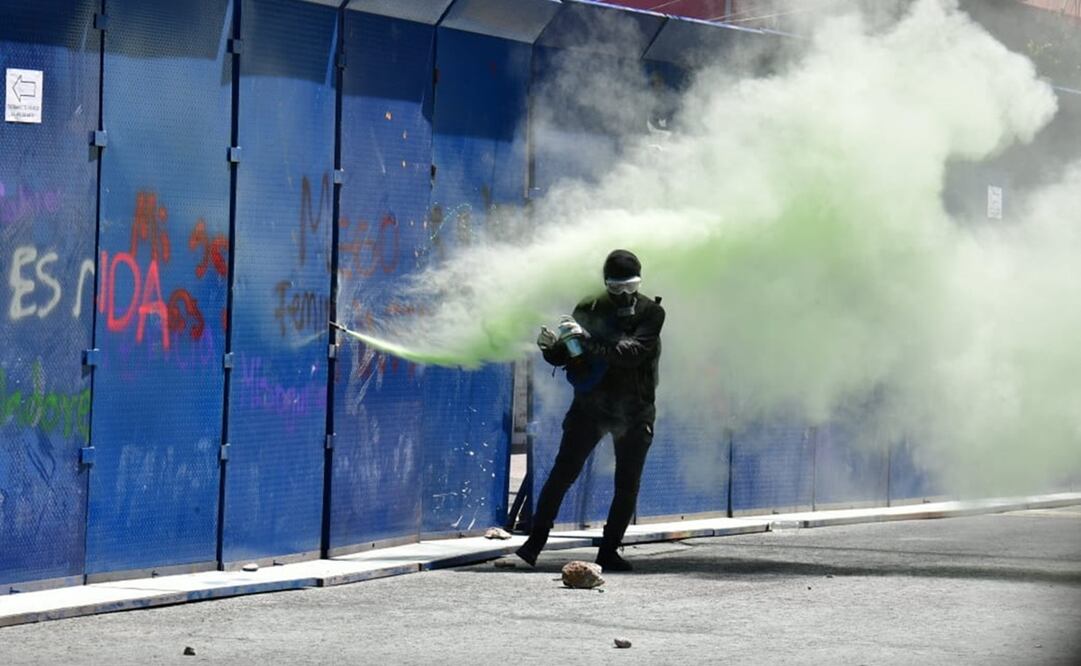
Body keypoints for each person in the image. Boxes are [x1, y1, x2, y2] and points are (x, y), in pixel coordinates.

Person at [516, 249, 665, 572]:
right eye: (616, 287)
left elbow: (631, 353)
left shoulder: (651, 312)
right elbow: (574, 356)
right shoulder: (589, 306)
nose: (624, 295)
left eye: (630, 286)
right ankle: (534, 543)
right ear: (605, 283)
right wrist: (552, 349)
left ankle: (609, 551)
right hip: (591, 405)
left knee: (627, 484)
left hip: (635, 410)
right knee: (563, 472)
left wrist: (587, 339)